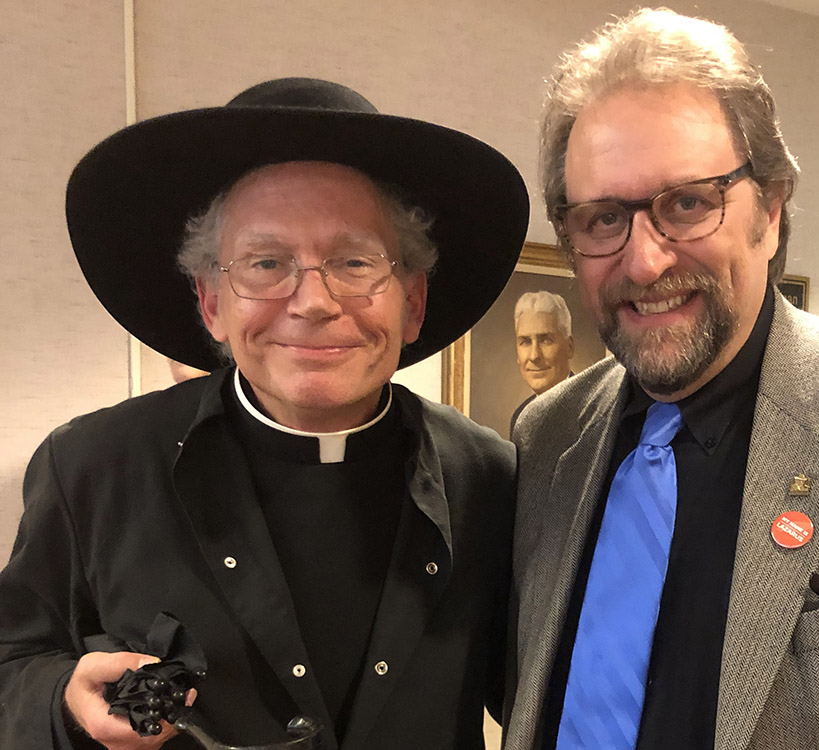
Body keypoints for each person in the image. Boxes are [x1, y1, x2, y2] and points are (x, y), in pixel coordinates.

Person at [504, 9, 819, 750]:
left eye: (688, 203)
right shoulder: (548, 437)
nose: (644, 262)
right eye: (604, 218)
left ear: (769, 211)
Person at [0, 77, 529, 750]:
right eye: (267, 262)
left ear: (413, 301)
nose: (312, 301)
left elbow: (540, 686)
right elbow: (11, 661)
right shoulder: (93, 466)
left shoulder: (490, 478)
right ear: (212, 302)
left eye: (354, 260)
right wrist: (61, 700)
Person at [510, 291, 575, 432]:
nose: (534, 356)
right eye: (525, 342)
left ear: (569, 347)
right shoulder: (521, 416)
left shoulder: (593, 412)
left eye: (546, 340)